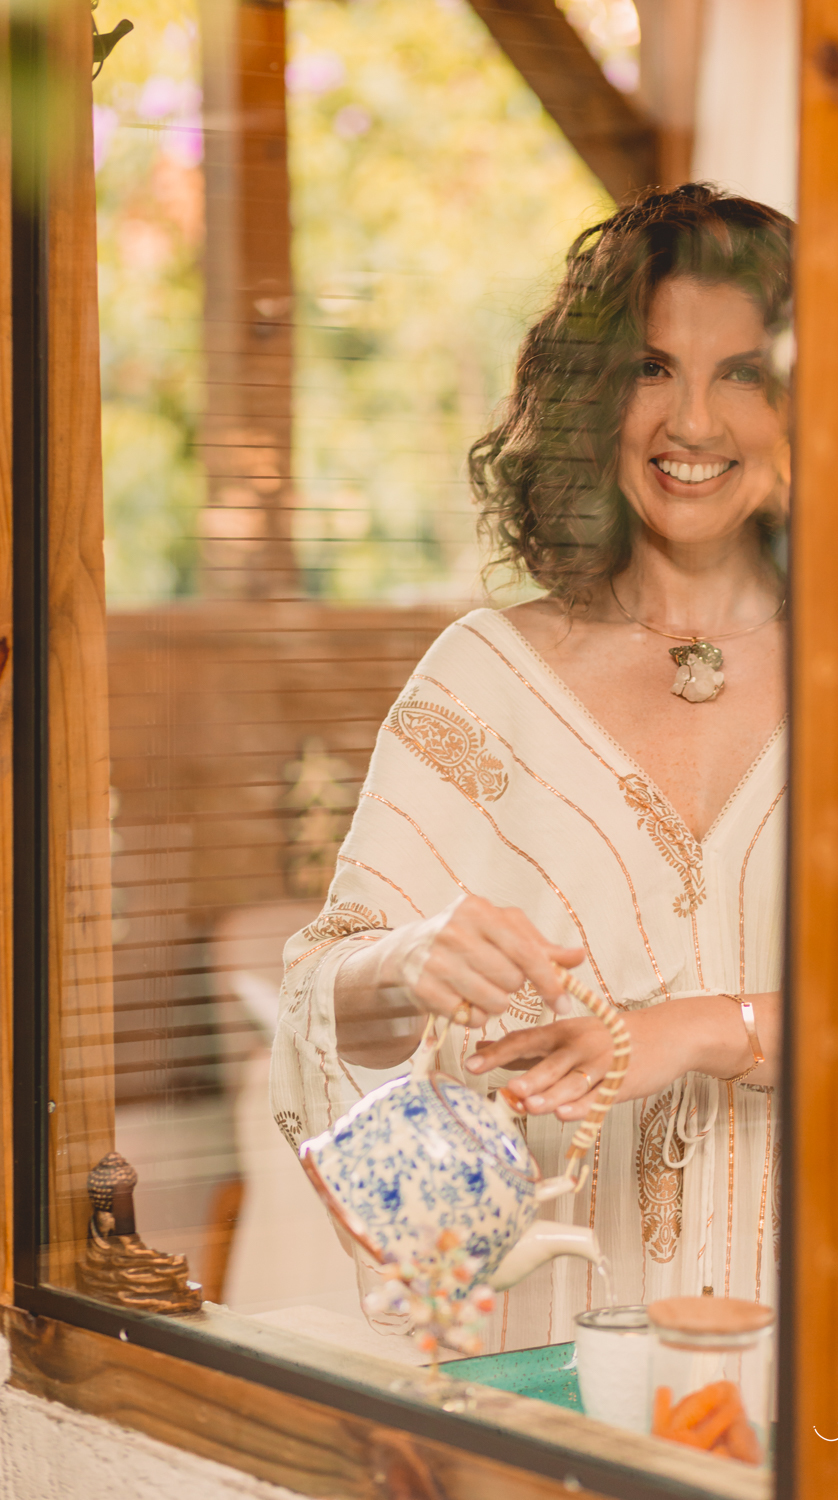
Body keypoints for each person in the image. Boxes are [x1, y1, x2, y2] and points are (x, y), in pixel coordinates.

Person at [270, 184, 791, 1353]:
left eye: (743, 374)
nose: (690, 420)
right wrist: (408, 960)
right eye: (651, 369)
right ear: (590, 398)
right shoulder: (482, 680)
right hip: (553, 1362)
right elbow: (317, 998)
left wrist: (710, 1028)